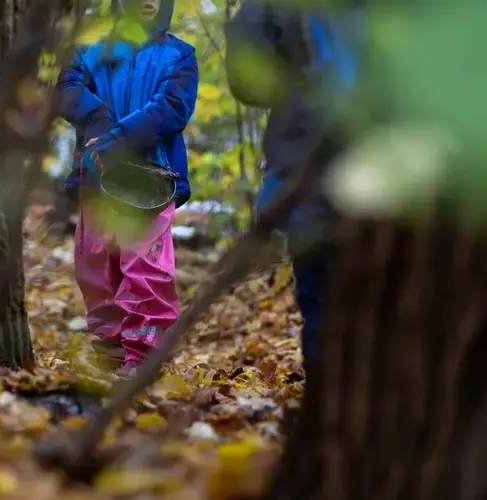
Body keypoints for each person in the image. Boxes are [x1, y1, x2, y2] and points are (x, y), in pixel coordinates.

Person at [56, 0, 199, 376]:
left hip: (151, 177)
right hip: (96, 175)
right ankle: (111, 349)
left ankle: (144, 354)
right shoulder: (90, 49)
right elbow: (65, 88)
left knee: (146, 266)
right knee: (96, 264)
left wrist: (119, 137)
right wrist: (100, 121)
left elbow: (172, 108)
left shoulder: (179, 54)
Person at [225, 1, 363, 381]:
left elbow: (249, 80)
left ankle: (329, 403)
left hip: (309, 169)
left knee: (323, 297)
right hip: (398, 166)